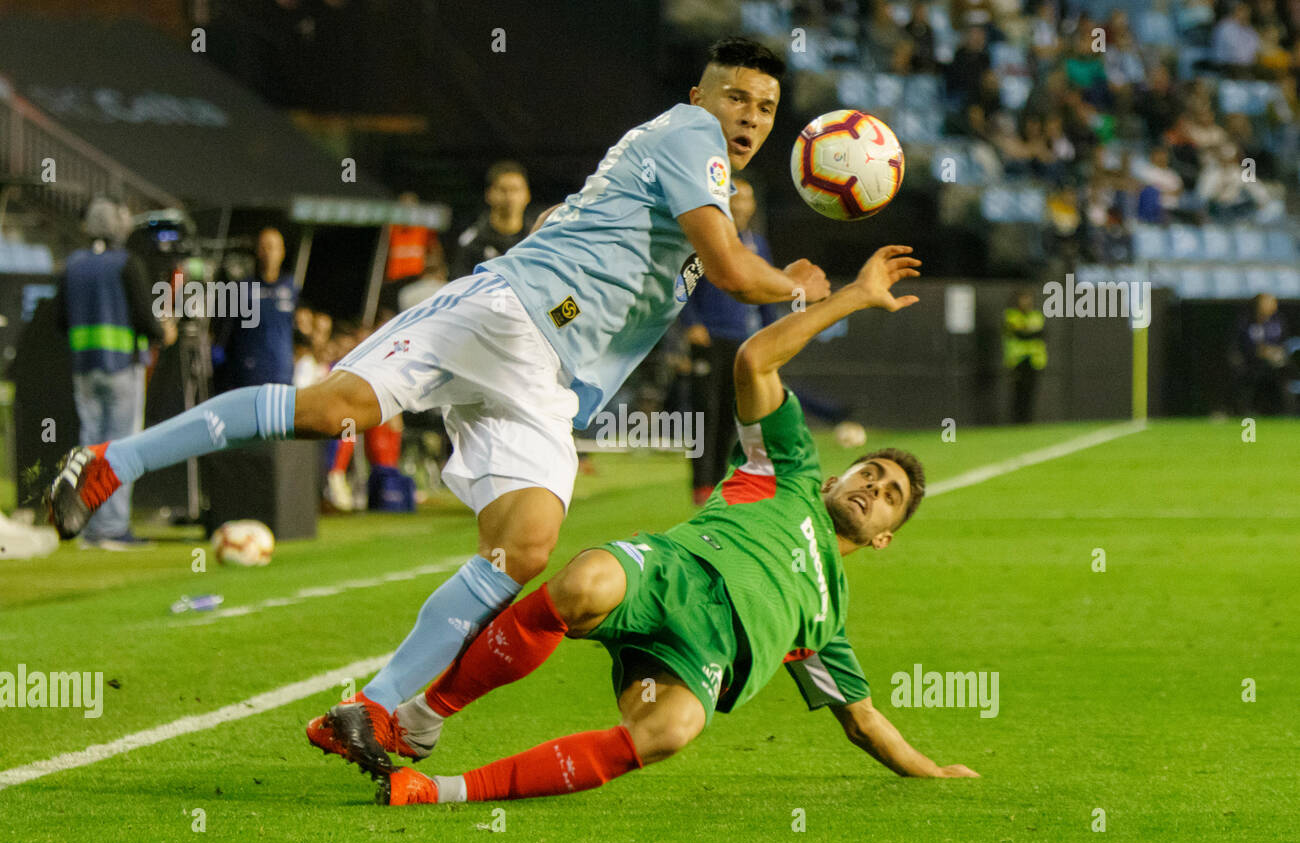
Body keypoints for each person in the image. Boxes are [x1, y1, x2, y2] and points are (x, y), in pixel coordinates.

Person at [46, 38, 831, 754]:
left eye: (764, 108)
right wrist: (795, 286)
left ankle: (375, 707)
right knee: (331, 412)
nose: (750, 118)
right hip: (509, 313)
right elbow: (732, 273)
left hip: (547, 382)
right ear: (700, 97)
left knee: (523, 545)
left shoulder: (697, 171)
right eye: (736, 98)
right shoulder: (689, 136)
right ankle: (111, 462)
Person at [323, 246, 977, 805]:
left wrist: (932, 771)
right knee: (585, 584)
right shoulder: (791, 469)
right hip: (665, 577)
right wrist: (856, 297)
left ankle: (441, 792)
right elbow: (754, 361)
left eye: (890, 495)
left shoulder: (827, 619)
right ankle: (422, 719)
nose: (874, 488)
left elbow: (862, 721)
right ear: (838, 478)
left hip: (691, 663)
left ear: (884, 536)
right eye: (870, 474)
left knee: (671, 731)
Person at [55, 198, 176, 549]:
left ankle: (88, 526)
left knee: (91, 445)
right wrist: (162, 332)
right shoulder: (126, 263)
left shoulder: (73, 264)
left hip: (84, 370)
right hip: (122, 367)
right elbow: (144, 317)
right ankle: (112, 527)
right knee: (121, 445)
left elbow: (59, 320)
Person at [679, 175, 783, 504]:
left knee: (731, 414)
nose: (740, 205)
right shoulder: (707, 237)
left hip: (743, 341)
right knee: (702, 414)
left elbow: (767, 291)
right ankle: (700, 483)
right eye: (734, 198)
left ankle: (721, 479)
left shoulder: (757, 243)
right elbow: (682, 283)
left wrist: (773, 333)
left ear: (753, 205)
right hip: (710, 338)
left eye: (746, 199)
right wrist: (691, 323)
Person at [210, 227, 298, 393]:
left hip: (281, 374)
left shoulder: (291, 287)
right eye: (264, 247)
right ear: (257, 251)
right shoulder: (242, 288)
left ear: (282, 251)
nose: (268, 253)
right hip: (248, 374)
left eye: (273, 247)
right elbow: (224, 330)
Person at [450, 161, 532, 279]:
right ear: (489, 194)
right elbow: (458, 285)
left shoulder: (537, 239)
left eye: (515, 190)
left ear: (527, 195)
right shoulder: (471, 242)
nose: (509, 197)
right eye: (503, 190)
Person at [1003, 289, 1046, 424]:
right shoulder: (1011, 315)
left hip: (1034, 361)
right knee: (1017, 393)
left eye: (1028, 299)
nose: (1026, 302)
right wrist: (1029, 331)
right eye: (1023, 298)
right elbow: (1020, 334)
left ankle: (1028, 422)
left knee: (1030, 393)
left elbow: (1040, 333)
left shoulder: (1036, 315)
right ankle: (1016, 422)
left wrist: (1026, 331)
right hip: (1017, 361)